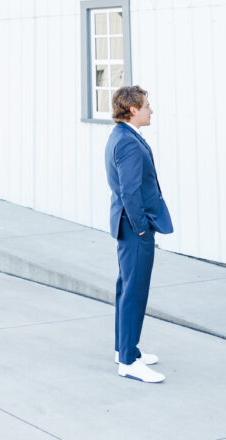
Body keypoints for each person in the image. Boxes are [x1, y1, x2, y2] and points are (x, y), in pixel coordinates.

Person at [104, 85, 173, 382]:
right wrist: (142, 227)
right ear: (133, 109)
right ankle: (129, 362)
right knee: (134, 291)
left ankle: (125, 349)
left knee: (127, 288)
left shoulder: (122, 136)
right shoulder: (128, 142)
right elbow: (129, 190)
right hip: (134, 228)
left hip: (128, 225)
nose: (151, 111)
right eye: (146, 106)